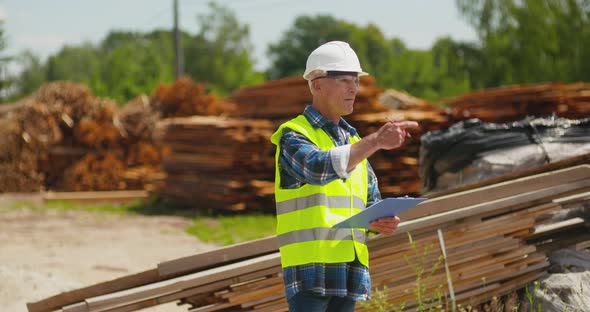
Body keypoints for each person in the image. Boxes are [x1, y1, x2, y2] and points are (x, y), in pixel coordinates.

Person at [270, 41, 419, 312]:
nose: (354, 88)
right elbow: (317, 168)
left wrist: (379, 220)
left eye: (356, 81)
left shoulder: (353, 140)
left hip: (350, 270)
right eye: (343, 81)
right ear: (317, 85)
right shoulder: (294, 135)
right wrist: (375, 141)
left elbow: (369, 200)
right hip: (311, 271)